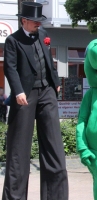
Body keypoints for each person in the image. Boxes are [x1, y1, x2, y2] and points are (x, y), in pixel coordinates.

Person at [2, 2, 68, 200]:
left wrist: (55, 82)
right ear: (24, 21)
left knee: (54, 146)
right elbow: (10, 68)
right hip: (25, 95)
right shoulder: (13, 41)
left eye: (40, 21)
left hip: (46, 91)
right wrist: (18, 91)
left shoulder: (42, 34)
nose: (38, 24)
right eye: (35, 21)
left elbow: (48, 60)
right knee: (19, 149)